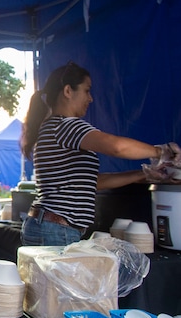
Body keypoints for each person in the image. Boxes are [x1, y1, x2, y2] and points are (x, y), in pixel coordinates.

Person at [19, 61, 180, 246]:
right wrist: (161, 151)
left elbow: (93, 182)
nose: (91, 99)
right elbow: (116, 147)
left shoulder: (52, 128)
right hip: (55, 229)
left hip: (50, 226)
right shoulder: (66, 126)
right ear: (68, 91)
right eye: (87, 90)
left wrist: (144, 174)